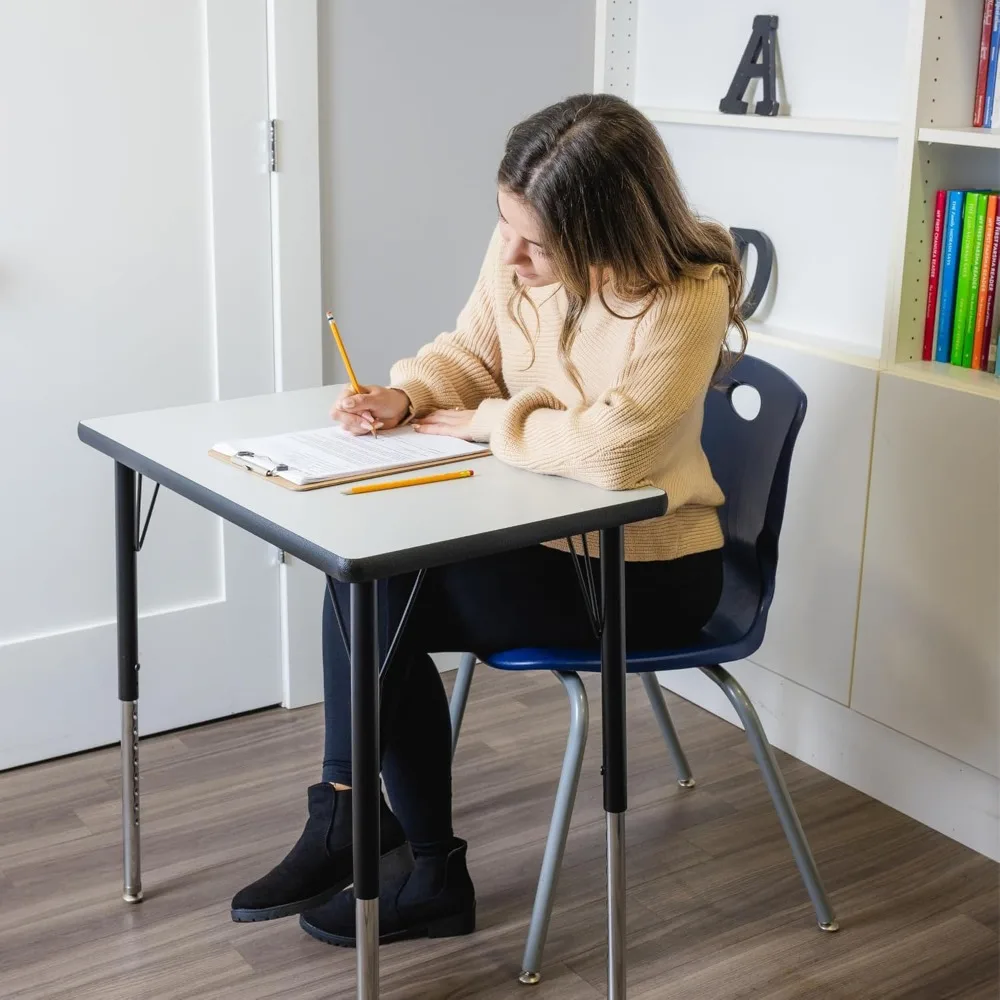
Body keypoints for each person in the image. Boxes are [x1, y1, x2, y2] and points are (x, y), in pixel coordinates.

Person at [230, 92, 746, 947]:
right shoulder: (525, 250)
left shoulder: (686, 296)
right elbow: (471, 354)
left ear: (608, 229)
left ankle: (390, 847)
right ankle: (370, 830)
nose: (512, 253)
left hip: (647, 570)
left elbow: (616, 451)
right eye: (505, 225)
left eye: (535, 242)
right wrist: (408, 395)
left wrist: (488, 424)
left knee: (377, 595)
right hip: (541, 534)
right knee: (364, 581)